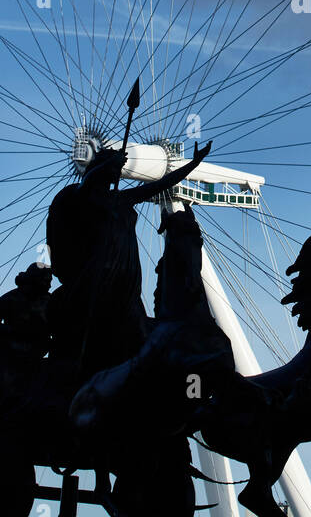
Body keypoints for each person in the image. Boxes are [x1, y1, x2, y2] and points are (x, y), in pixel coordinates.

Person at [45, 141, 210, 386]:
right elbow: (89, 183)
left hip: (126, 280)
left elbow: (159, 185)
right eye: (114, 168)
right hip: (98, 277)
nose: (117, 173)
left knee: (139, 333)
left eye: (118, 169)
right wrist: (108, 161)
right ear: (100, 166)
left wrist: (193, 164)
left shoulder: (121, 199)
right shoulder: (81, 197)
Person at [0, 264, 52, 405]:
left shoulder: (50, 302)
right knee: (8, 400)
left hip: (34, 358)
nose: (49, 285)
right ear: (34, 280)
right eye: (45, 281)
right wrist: (16, 331)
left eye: (50, 281)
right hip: (7, 358)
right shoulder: (9, 299)